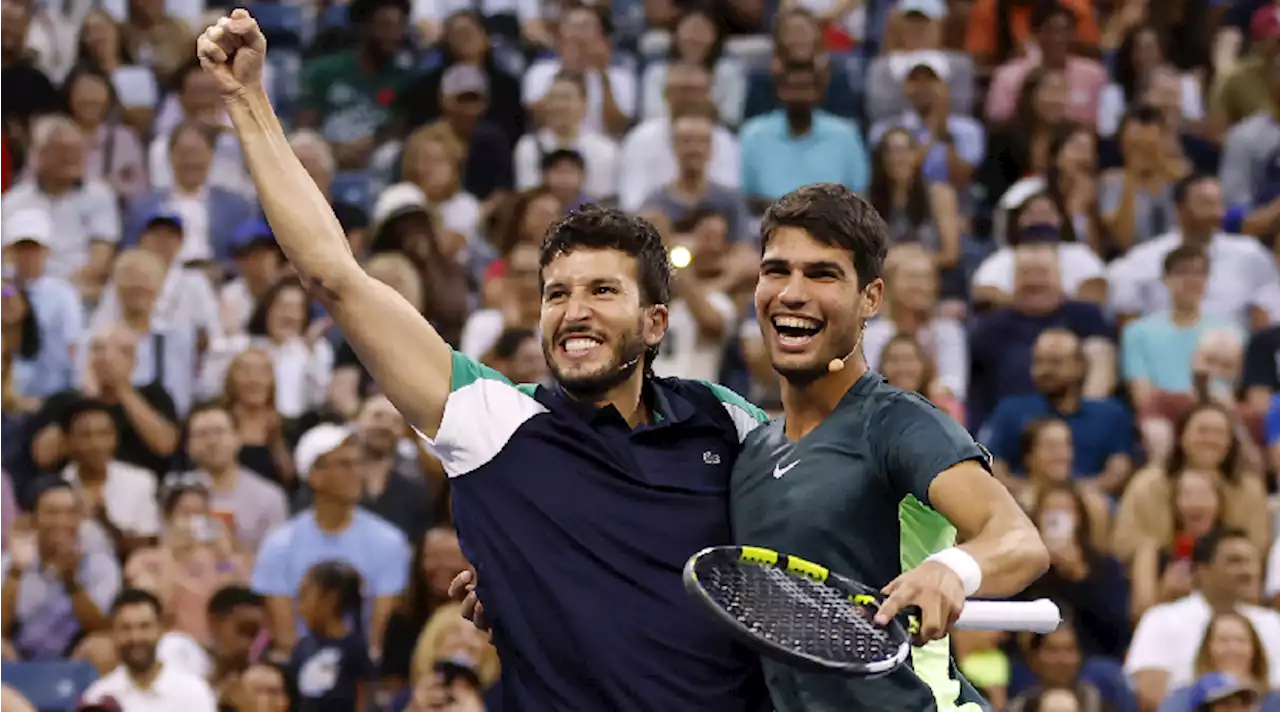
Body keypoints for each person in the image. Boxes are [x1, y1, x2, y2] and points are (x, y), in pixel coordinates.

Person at [199, 12, 768, 711]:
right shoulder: (495, 422)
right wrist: (247, 100)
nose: (574, 310)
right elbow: (334, 275)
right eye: (556, 293)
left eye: (601, 291)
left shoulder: (725, 418)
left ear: (655, 323)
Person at [730, 184, 1049, 711]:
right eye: (776, 270)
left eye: (822, 274)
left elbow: (1018, 540)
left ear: (871, 299)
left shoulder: (900, 423)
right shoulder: (752, 454)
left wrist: (953, 570)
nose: (791, 292)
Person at [291, 560, 374, 712]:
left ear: (330, 597)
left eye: (304, 596)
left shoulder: (354, 649)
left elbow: (363, 700)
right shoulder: (302, 648)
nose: (299, 609)